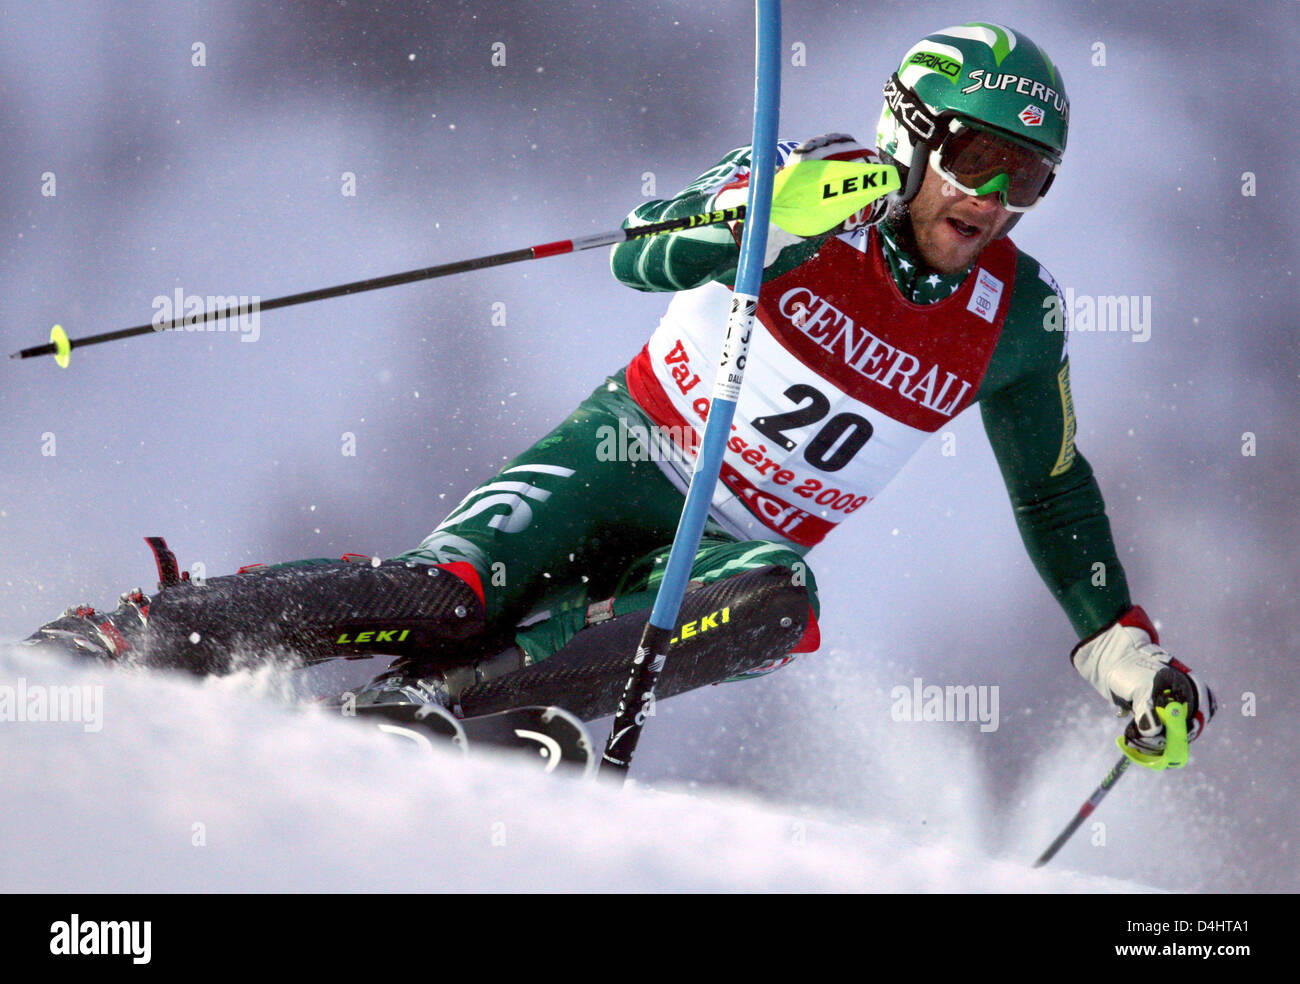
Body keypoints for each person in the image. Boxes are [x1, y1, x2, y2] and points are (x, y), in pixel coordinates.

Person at [27, 22, 1212, 763]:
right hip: (621, 457)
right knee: (447, 593)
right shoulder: (810, 181)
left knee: (780, 606)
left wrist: (1114, 643)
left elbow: (1053, 491)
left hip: (722, 551)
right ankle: (149, 628)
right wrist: (759, 222)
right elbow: (641, 249)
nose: (994, 199)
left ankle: (448, 712)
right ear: (910, 138)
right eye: (975, 159)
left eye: (1029, 178)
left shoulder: (1017, 315)